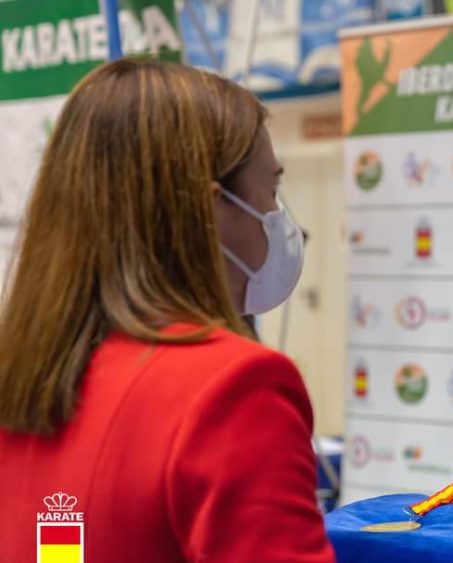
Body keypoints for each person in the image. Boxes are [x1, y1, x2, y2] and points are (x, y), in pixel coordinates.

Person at [0, 59, 335, 563]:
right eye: (270, 190)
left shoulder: (24, 375)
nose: (278, 218)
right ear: (210, 211)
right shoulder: (234, 389)